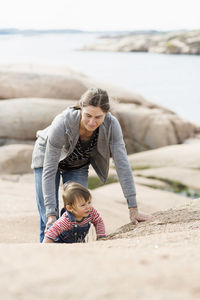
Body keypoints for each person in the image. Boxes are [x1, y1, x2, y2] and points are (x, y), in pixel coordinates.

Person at [32, 87, 150, 242]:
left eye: (98, 117)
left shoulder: (112, 125)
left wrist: (133, 208)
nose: (92, 122)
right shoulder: (63, 122)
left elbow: (122, 165)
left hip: (77, 164)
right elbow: (49, 170)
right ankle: (46, 253)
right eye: (88, 115)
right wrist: (51, 215)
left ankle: (70, 254)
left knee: (80, 215)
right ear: (81, 107)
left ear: (106, 114)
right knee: (48, 220)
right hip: (46, 159)